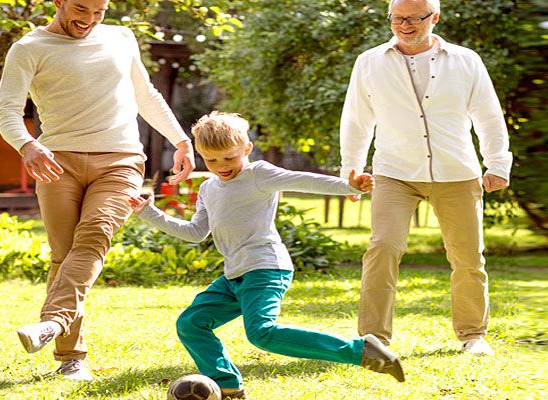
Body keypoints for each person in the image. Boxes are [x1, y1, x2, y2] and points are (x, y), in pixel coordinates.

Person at [129, 111, 404, 399]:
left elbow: (302, 180)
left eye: (229, 158)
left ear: (246, 149)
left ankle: (361, 351)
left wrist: (348, 186)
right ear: (200, 154)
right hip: (234, 275)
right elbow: (196, 232)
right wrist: (149, 213)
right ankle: (227, 384)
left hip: (265, 268)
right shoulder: (209, 187)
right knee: (191, 323)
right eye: (211, 160)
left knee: (262, 332)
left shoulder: (258, 174)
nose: (221, 166)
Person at [0, 0, 195, 380]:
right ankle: (72, 359)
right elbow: (6, 111)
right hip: (58, 162)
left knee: (94, 237)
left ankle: (51, 324)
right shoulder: (29, 48)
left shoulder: (121, 38)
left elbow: (145, 95)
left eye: (98, 11)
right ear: (58, 3)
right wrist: (27, 144)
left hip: (121, 159)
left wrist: (181, 140)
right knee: (65, 254)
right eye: (80, 9)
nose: (88, 20)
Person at [339, 0, 512, 356]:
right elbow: (356, 119)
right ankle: (373, 338)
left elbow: (489, 117)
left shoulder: (466, 60)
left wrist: (497, 164)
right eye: (396, 18)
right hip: (394, 172)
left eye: (413, 18)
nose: (404, 25)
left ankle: (472, 335)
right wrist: (350, 170)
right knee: (382, 248)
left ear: (433, 18)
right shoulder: (369, 62)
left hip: (456, 172)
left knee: (467, 257)